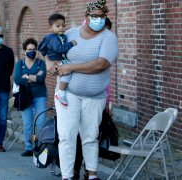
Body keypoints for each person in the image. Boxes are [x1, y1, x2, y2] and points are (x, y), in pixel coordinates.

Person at [47, 1, 118, 179]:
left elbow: (101, 64)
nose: (99, 19)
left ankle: (91, 174)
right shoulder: (70, 33)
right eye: (94, 15)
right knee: (66, 136)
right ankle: (67, 176)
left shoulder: (108, 37)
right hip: (67, 94)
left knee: (90, 137)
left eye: (102, 16)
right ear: (86, 17)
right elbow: (51, 51)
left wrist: (71, 68)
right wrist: (52, 65)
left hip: (95, 97)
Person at [72, 16, 113, 180]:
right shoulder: (87, 47)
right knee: (78, 137)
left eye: (108, 30)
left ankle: (90, 172)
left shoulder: (108, 46)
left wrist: (109, 103)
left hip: (99, 98)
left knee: (92, 137)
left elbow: (106, 79)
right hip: (80, 96)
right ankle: (74, 170)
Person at [14, 38, 47, 156]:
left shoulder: (40, 63)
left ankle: (40, 145)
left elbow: (41, 78)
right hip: (25, 97)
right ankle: (29, 147)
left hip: (40, 96)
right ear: (24, 51)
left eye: (34, 49)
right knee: (27, 123)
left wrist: (26, 76)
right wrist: (33, 77)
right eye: (29, 49)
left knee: (41, 122)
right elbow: (17, 79)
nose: (31, 52)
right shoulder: (20, 64)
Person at [38, 13, 77, 106]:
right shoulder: (53, 38)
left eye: (63, 26)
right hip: (58, 60)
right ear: (50, 28)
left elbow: (42, 49)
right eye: (58, 26)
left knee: (62, 76)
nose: (61, 28)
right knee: (68, 71)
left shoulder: (57, 36)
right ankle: (61, 93)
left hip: (59, 59)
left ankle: (61, 90)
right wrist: (71, 44)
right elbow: (59, 49)